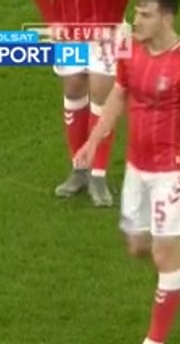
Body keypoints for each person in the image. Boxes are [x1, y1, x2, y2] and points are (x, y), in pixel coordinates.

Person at [75, 0, 180, 344]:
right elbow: (118, 95)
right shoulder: (131, 51)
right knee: (139, 247)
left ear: (166, 18)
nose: (135, 20)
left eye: (145, 14)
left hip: (173, 172)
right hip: (137, 169)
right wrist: (93, 140)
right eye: (136, 13)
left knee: (164, 253)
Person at [36, 0, 131, 206]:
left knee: (101, 93)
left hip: (106, 26)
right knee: (73, 87)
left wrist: (113, 16)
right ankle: (79, 169)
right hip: (67, 26)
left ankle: (97, 174)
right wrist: (51, 21)